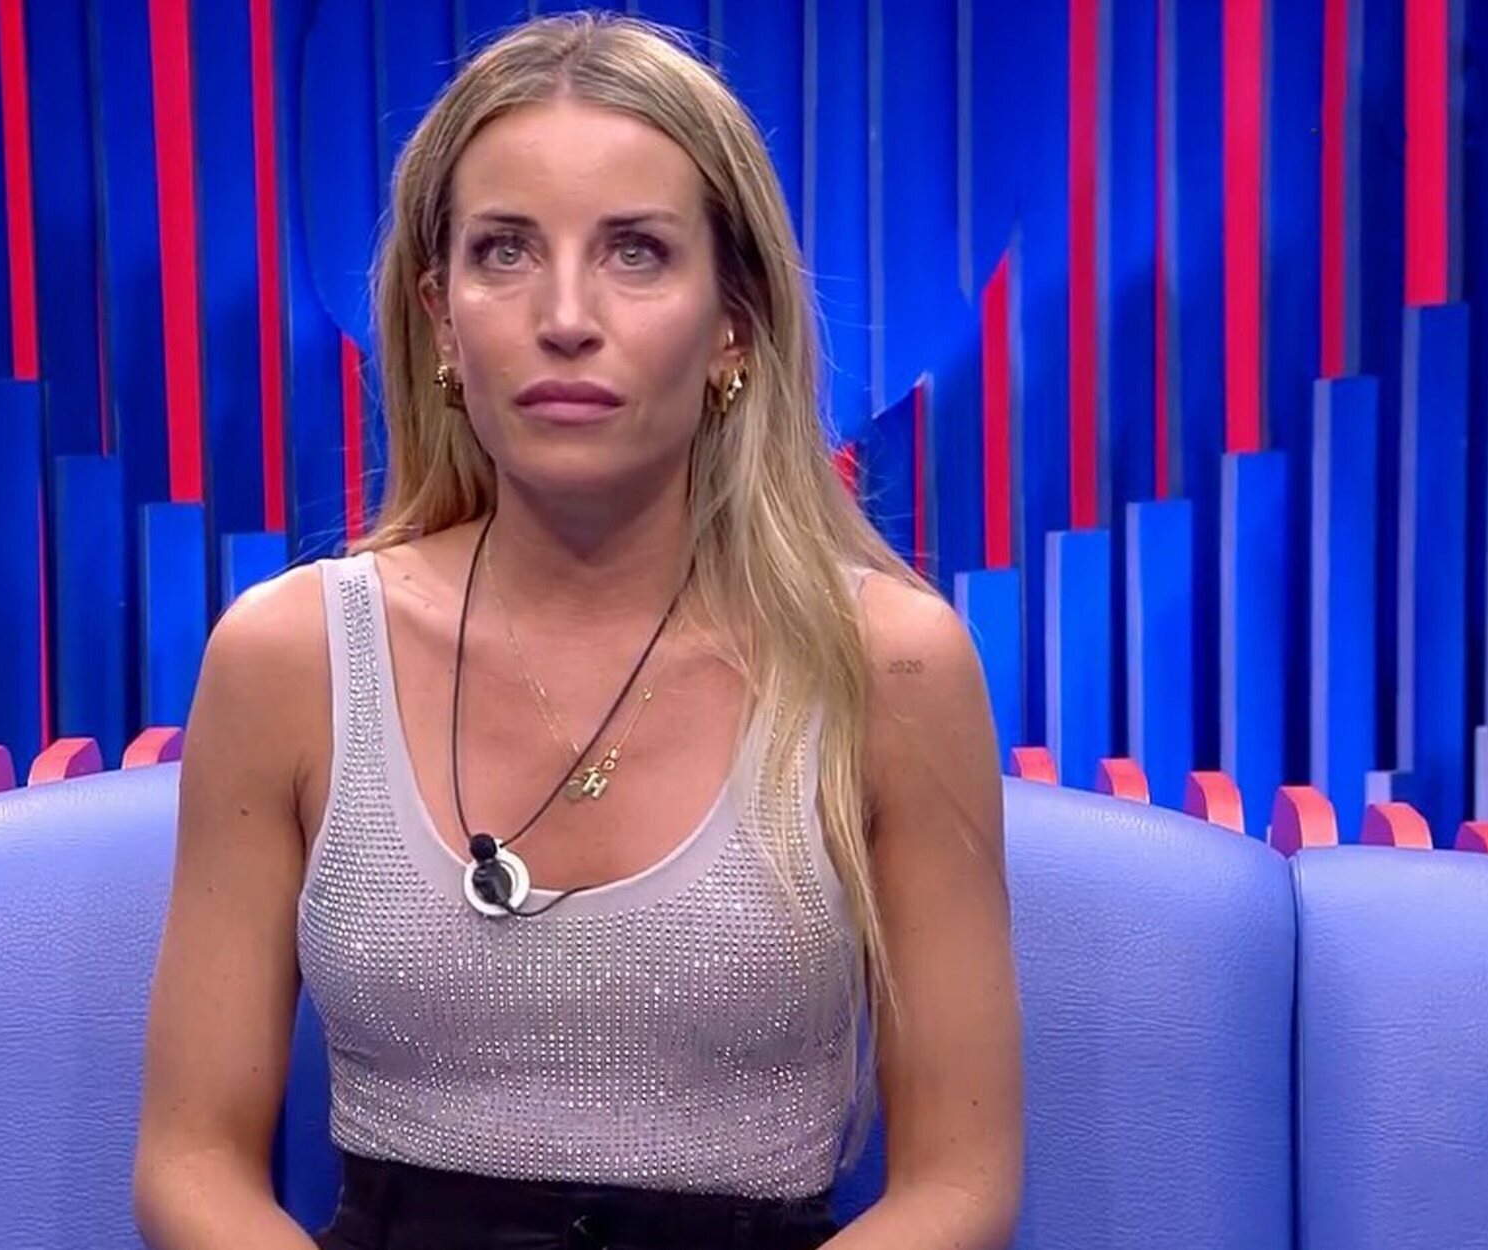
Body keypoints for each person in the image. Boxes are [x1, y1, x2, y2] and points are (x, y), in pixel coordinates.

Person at [131, 12, 1021, 1249]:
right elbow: (190, 1162)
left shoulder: (887, 665)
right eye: (504, 251)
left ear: (732, 323)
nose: (563, 314)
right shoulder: (289, 657)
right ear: (442, 322)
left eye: (634, 253)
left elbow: (959, 1183)